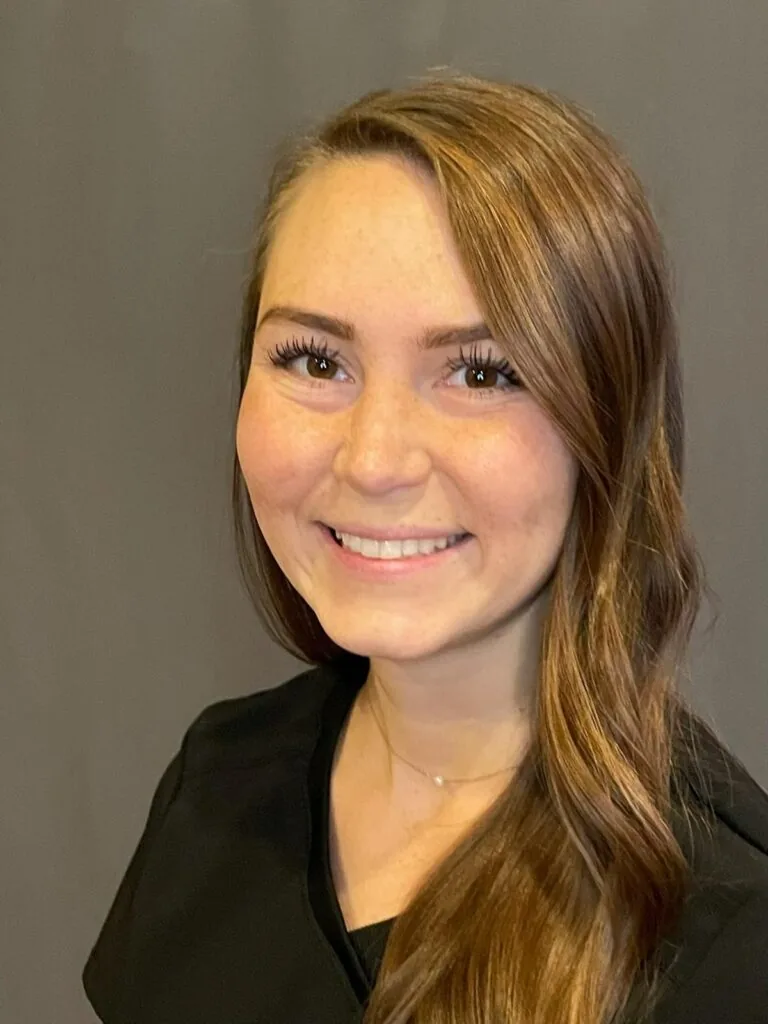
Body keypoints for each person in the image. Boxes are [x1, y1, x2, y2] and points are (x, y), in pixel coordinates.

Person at [82, 72, 768, 1024]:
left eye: (482, 373)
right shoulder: (221, 783)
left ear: (604, 426)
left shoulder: (727, 936)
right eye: (316, 361)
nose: (373, 460)